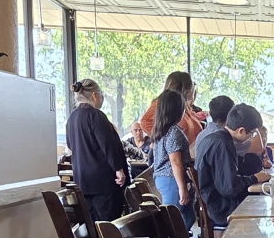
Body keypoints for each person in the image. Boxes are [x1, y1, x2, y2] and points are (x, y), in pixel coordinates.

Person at [193, 102, 272, 227]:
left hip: (219, 201)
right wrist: (255, 178)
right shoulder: (222, 144)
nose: (252, 136)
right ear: (241, 130)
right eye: (251, 133)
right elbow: (230, 188)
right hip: (222, 207)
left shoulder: (216, 138)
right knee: (267, 211)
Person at [65, 79, 128, 222]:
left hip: (82, 180)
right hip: (102, 181)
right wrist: (118, 169)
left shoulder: (72, 118)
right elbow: (108, 145)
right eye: (100, 95)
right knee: (108, 223)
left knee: (91, 224)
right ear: (94, 95)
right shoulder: (96, 116)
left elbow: (70, 145)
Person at [144, 89, 195, 229]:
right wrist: (182, 187)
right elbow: (175, 161)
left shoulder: (160, 129)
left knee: (189, 216)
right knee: (172, 220)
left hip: (163, 177)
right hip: (171, 179)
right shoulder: (173, 131)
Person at [138, 71, 206, 148]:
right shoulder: (161, 103)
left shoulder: (184, 104)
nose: (193, 89)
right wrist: (163, 139)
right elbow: (145, 121)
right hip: (177, 155)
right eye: (191, 86)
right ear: (185, 89)